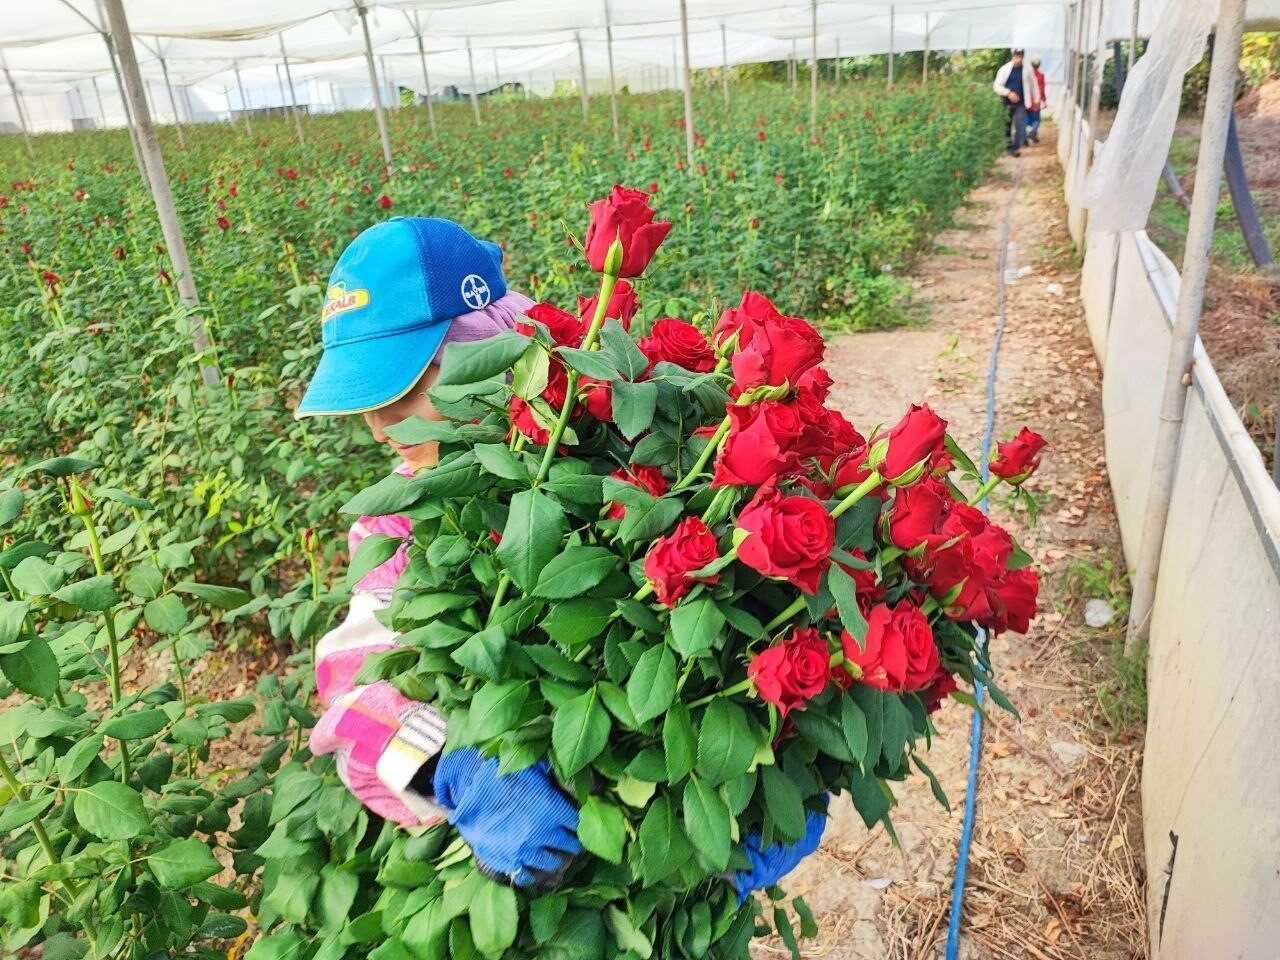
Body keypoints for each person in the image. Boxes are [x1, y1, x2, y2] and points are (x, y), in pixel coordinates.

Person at [295, 215, 826, 896]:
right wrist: (452, 767)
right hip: (527, 869)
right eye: (367, 401)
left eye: (410, 385)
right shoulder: (398, 522)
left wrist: (785, 773)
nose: (382, 424)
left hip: (660, 856)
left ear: (487, 350)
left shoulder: (606, 448)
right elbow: (351, 682)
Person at [992, 47, 1036, 157]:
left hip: (1021, 103)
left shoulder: (1027, 70)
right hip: (1006, 102)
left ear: (1023, 57)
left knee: (1020, 125)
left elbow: (1033, 85)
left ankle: (1015, 148)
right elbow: (996, 86)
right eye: (1017, 56)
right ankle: (1008, 146)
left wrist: (1036, 99)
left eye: (1020, 56)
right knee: (1007, 125)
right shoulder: (1004, 69)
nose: (1018, 59)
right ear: (1013, 56)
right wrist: (1008, 93)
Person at [1026, 56, 1048, 144]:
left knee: (1027, 118)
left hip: (1027, 99)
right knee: (1036, 119)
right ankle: (1033, 132)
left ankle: (1030, 135)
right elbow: (1042, 88)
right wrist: (1044, 100)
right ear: (1039, 65)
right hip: (1036, 99)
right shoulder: (1041, 75)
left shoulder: (1027, 75)